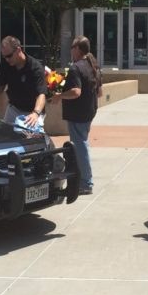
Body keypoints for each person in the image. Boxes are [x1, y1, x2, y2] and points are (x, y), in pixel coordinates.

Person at [53, 36, 102, 195]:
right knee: (82, 144)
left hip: (78, 114)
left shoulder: (76, 68)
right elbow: (100, 93)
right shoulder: (93, 66)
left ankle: (86, 183)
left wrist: (59, 96)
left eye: (72, 47)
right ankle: (83, 179)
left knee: (80, 147)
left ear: (77, 49)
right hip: (89, 111)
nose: (70, 50)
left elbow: (76, 92)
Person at [0, 36, 46, 129]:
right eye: (4, 56)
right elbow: (0, 84)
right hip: (13, 109)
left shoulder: (35, 67)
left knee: (31, 141)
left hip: (32, 111)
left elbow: (41, 94)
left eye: (9, 56)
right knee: (5, 137)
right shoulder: (6, 64)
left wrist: (35, 113)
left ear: (18, 50)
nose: (7, 59)